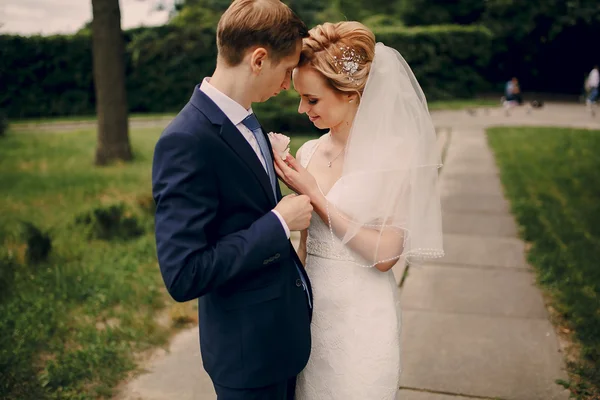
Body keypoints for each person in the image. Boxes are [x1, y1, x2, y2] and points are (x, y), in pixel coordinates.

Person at [273, 22, 444, 399]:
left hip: (362, 322)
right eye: (300, 97)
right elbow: (304, 245)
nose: (302, 109)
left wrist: (316, 196)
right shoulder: (309, 153)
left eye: (312, 99)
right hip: (312, 319)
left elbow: (386, 256)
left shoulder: (397, 156)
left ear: (350, 93)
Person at [151, 1, 313, 399]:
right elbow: (184, 272)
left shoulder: (245, 117)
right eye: (287, 69)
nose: (289, 84)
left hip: (280, 340)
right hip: (247, 360)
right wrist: (278, 223)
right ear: (258, 59)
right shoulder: (185, 141)